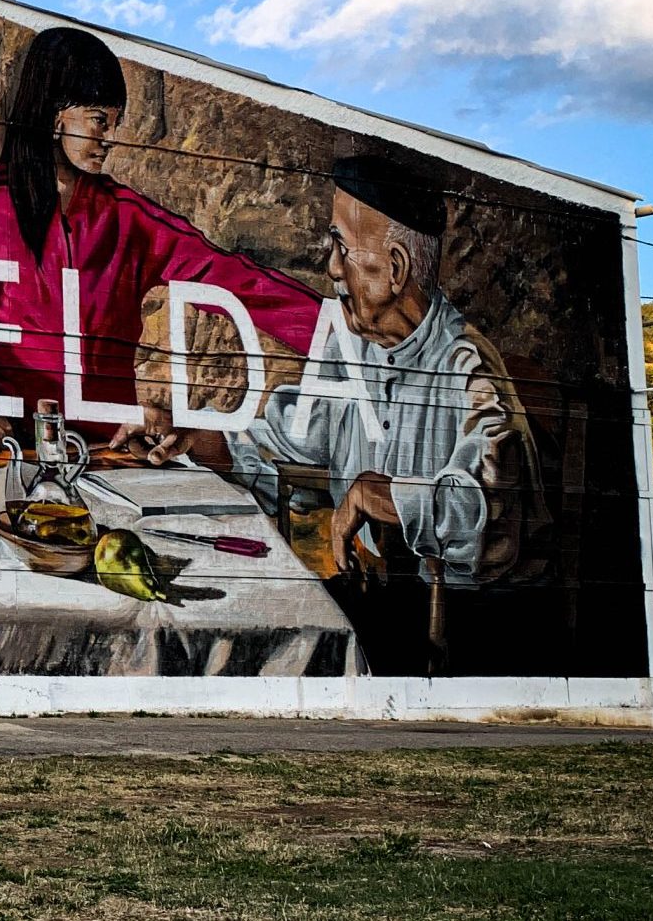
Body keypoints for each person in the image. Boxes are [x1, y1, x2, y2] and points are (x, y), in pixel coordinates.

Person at [154, 155, 555, 673]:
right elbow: (284, 441)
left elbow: (486, 509)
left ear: (395, 268)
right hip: (379, 598)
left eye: (342, 247)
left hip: (466, 628)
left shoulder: (467, 367)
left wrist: (382, 494)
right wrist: (197, 437)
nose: (332, 268)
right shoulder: (353, 350)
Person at [0, 26, 322, 450]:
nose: (110, 139)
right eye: (100, 120)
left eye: (114, 123)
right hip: (14, 447)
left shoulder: (128, 218)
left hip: (112, 451)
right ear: (55, 113)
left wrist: (334, 333)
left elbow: (230, 278)